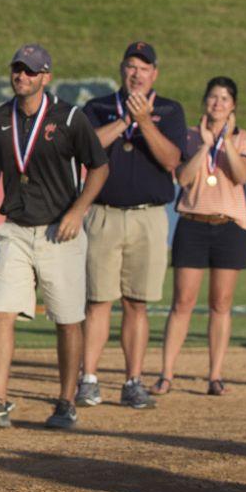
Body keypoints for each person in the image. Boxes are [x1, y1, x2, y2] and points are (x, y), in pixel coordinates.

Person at [0, 44, 109, 430]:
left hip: (58, 231)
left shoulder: (69, 117)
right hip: (15, 228)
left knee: (67, 320)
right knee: (0, 313)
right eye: (18, 69)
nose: (22, 76)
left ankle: (66, 401)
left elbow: (98, 168)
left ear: (46, 76)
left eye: (31, 71)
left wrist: (77, 211)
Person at [76, 42, 190, 410]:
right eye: (130, 66)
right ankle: (88, 379)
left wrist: (144, 122)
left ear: (155, 73)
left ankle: (133, 380)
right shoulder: (99, 107)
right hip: (103, 213)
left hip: (148, 217)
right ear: (121, 70)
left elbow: (171, 158)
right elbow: (87, 147)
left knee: (137, 303)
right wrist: (125, 120)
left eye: (144, 68)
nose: (136, 74)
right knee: (97, 301)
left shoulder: (169, 110)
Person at [156, 77, 246, 395]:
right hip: (193, 223)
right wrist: (207, 145)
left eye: (225, 99)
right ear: (204, 101)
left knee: (221, 303)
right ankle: (167, 374)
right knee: (182, 302)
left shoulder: (245, 139)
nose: (218, 104)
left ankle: (215, 375)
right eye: (213, 97)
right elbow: (183, 178)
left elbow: (240, 176)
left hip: (229, 225)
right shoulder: (188, 136)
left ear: (233, 105)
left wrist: (225, 141)